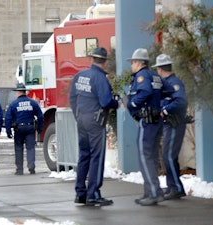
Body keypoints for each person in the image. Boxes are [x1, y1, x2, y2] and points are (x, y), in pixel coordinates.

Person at [69, 47, 120, 206]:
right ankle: (93, 194)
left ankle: (80, 193)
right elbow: (105, 102)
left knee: (84, 155)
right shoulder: (100, 78)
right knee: (97, 156)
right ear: (104, 62)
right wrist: (116, 103)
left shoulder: (80, 75)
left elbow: (72, 97)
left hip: (82, 119)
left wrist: (78, 115)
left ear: (92, 59)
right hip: (96, 121)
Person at [126, 48, 164, 206]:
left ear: (139, 63)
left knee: (145, 157)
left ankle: (153, 192)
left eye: (132, 62)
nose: (131, 66)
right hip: (155, 121)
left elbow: (146, 91)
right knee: (152, 157)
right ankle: (151, 192)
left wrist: (133, 103)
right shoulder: (155, 75)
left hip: (147, 121)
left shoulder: (142, 75)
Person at [152, 54, 188, 200]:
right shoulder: (167, 83)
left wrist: (165, 110)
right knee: (168, 156)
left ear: (160, 69)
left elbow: (181, 101)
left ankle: (176, 188)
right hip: (168, 124)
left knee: (168, 156)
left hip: (174, 124)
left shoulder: (174, 83)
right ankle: (172, 186)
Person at [5, 83, 44, 175]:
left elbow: (8, 118)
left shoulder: (13, 104)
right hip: (30, 128)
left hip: (19, 129)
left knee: (19, 148)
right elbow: (40, 116)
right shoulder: (33, 102)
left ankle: (19, 169)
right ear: (25, 92)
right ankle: (31, 167)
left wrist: (8, 131)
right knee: (30, 148)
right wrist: (39, 128)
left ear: (18, 92)